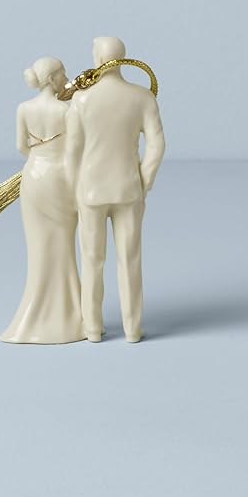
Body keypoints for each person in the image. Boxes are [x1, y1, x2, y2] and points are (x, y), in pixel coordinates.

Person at [64, 36, 165, 343]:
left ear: (98, 58)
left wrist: (74, 188)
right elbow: (157, 144)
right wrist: (144, 180)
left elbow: (72, 151)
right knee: (130, 260)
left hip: (91, 190)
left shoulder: (82, 100)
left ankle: (93, 328)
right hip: (128, 189)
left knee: (92, 261)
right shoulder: (142, 97)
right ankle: (133, 328)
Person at [0, 56, 86, 344]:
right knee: (63, 247)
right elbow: (75, 150)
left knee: (38, 248)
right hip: (60, 179)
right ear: (52, 79)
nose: (66, 78)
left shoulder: (23, 109)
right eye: (62, 74)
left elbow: (21, 147)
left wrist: (39, 159)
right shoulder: (67, 110)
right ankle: (70, 319)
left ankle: (33, 316)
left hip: (33, 178)